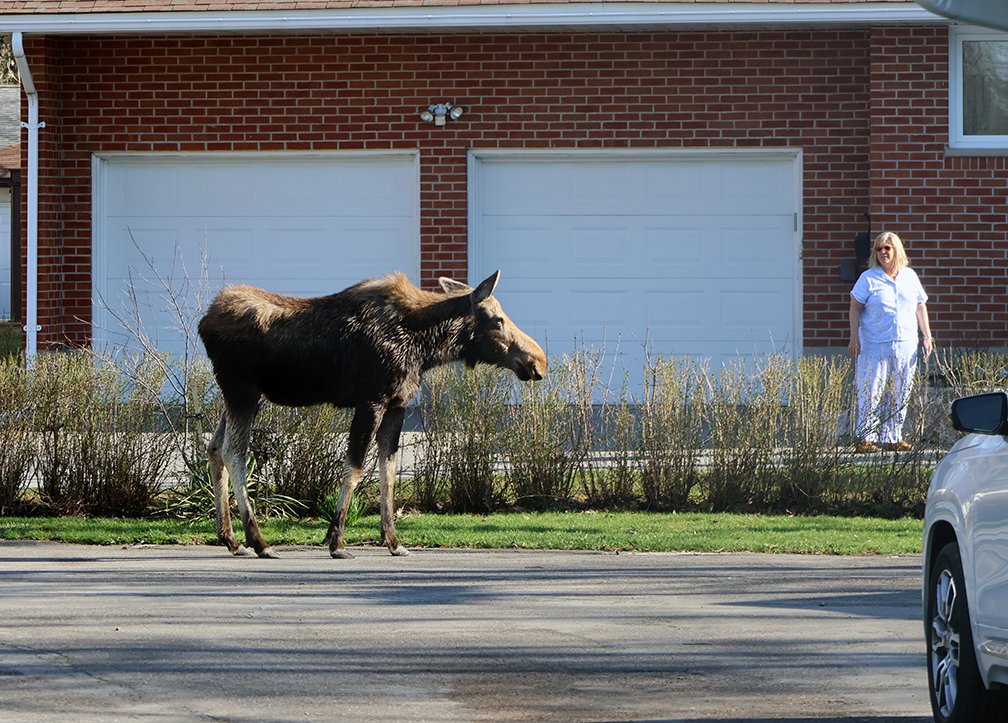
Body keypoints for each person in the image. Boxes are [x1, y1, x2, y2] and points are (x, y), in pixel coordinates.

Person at [848, 231, 933, 453]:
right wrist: (853, 336)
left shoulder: (910, 276)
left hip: (905, 340)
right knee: (871, 387)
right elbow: (855, 307)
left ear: (896, 249)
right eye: (879, 249)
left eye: (887, 248)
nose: (883, 252)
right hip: (874, 342)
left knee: (901, 389)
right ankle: (864, 437)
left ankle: (892, 436)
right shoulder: (868, 278)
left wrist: (927, 334)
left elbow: (920, 305)